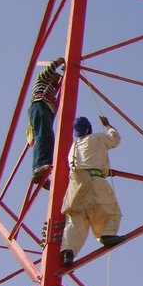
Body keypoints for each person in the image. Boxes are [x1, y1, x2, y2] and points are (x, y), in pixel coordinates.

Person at [60, 116, 124, 267]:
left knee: (76, 220)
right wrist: (109, 126)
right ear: (89, 129)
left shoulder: (73, 148)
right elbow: (114, 139)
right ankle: (107, 234)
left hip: (75, 185)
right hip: (93, 179)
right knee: (110, 210)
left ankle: (68, 251)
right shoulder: (97, 139)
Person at [28, 57, 64, 187]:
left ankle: (41, 171)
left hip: (43, 107)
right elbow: (50, 68)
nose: (56, 80)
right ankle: (39, 167)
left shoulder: (51, 89)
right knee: (44, 135)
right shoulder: (41, 79)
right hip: (39, 105)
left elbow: (61, 82)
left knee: (47, 136)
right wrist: (60, 61)